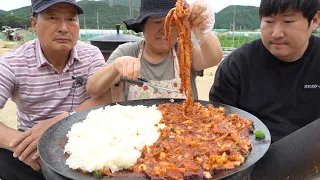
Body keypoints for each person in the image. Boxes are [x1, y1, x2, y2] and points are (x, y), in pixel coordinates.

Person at [0, 0, 110, 179]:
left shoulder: (91, 54)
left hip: (84, 138)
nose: (64, 28)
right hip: (33, 148)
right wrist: (23, 145)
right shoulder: (12, 63)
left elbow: (103, 98)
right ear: (34, 25)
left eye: (71, 19)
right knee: (4, 160)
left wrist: (59, 122)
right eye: (52, 18)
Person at [209, 0, 320, 143]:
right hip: (250, 156)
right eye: (268, 21)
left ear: (314, 20)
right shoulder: (237, 64)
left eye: (288, 21)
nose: (276, 33)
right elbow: (218, 122)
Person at [86, 0, 222, 102]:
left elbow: (214, 58)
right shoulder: (128, 51)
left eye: (172, 24)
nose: (165, 31)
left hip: (184, 132)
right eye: (157, 22)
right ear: (143, 25)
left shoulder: (185, 52)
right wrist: (116, 66)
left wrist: (201, 28)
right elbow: (93, 90)